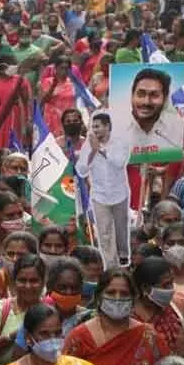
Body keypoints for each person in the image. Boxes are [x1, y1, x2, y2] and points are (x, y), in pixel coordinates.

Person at [63, 267, 159, 365]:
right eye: (111, 293)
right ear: (99, 297)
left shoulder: (148, 336)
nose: (117, 298)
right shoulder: (78, 339)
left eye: (124, 294)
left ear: (133, 298)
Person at [76, 110, 130, 267]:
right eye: (93, 127)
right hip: (99, 196)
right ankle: (111, 265)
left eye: (98, 126)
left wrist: (100, 149)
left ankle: (123, 255)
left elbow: (119, 162)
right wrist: (92, 151)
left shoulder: (120, 142)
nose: (95, 130)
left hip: (119, 193)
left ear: (107, 126)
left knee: (121, 228)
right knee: (104, 233)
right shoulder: (89, 145)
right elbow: (81, 170)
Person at [0, 254, 47, 365]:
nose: (28, 286)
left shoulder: (49, 312)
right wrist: (17, 334)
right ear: (13, 282)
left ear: (43, 282)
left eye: (34, 281)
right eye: (22, 280)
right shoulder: (0, 308)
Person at [132, 257, 184, 358]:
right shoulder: (130, 320)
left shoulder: (172, 309)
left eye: (171, 283)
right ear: (145, 288)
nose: (171, 289)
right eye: (165, 285)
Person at [125, 68, 183, 163]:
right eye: (140, 94)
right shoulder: (115, 130)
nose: (146, 102)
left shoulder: (179, 127)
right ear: (132, 96)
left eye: (154, 95)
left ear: (165, 99)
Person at [0, 53, 31, 151]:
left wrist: (28, 120)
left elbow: (27, 102)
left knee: (11, 146)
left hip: (13, 119)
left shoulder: (20, 80)